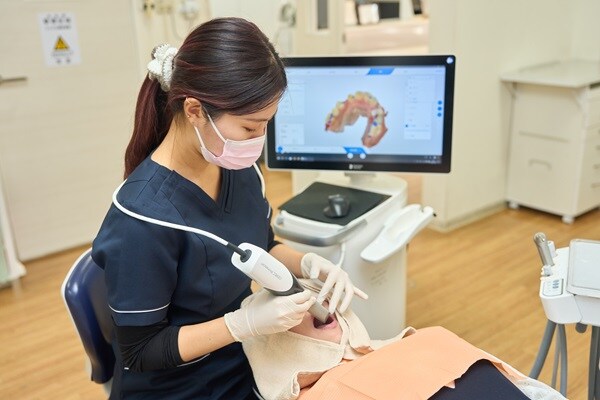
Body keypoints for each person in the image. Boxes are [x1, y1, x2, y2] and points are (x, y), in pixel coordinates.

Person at [91, 17, 367, 399]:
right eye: (250, 128)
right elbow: (141, 352)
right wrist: (242, 324)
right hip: (179, 386)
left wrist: (308, 264)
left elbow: (261, 243)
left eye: (266, 124)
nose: (259, 140)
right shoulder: (141, 219)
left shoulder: (237, 168)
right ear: (194, 110)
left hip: (244, 355)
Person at [241, 281, 567, 400]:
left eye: (314, 293)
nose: (317, 302)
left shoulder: (428, 338)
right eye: (294, 307)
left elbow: (535, 393)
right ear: (274, 343)